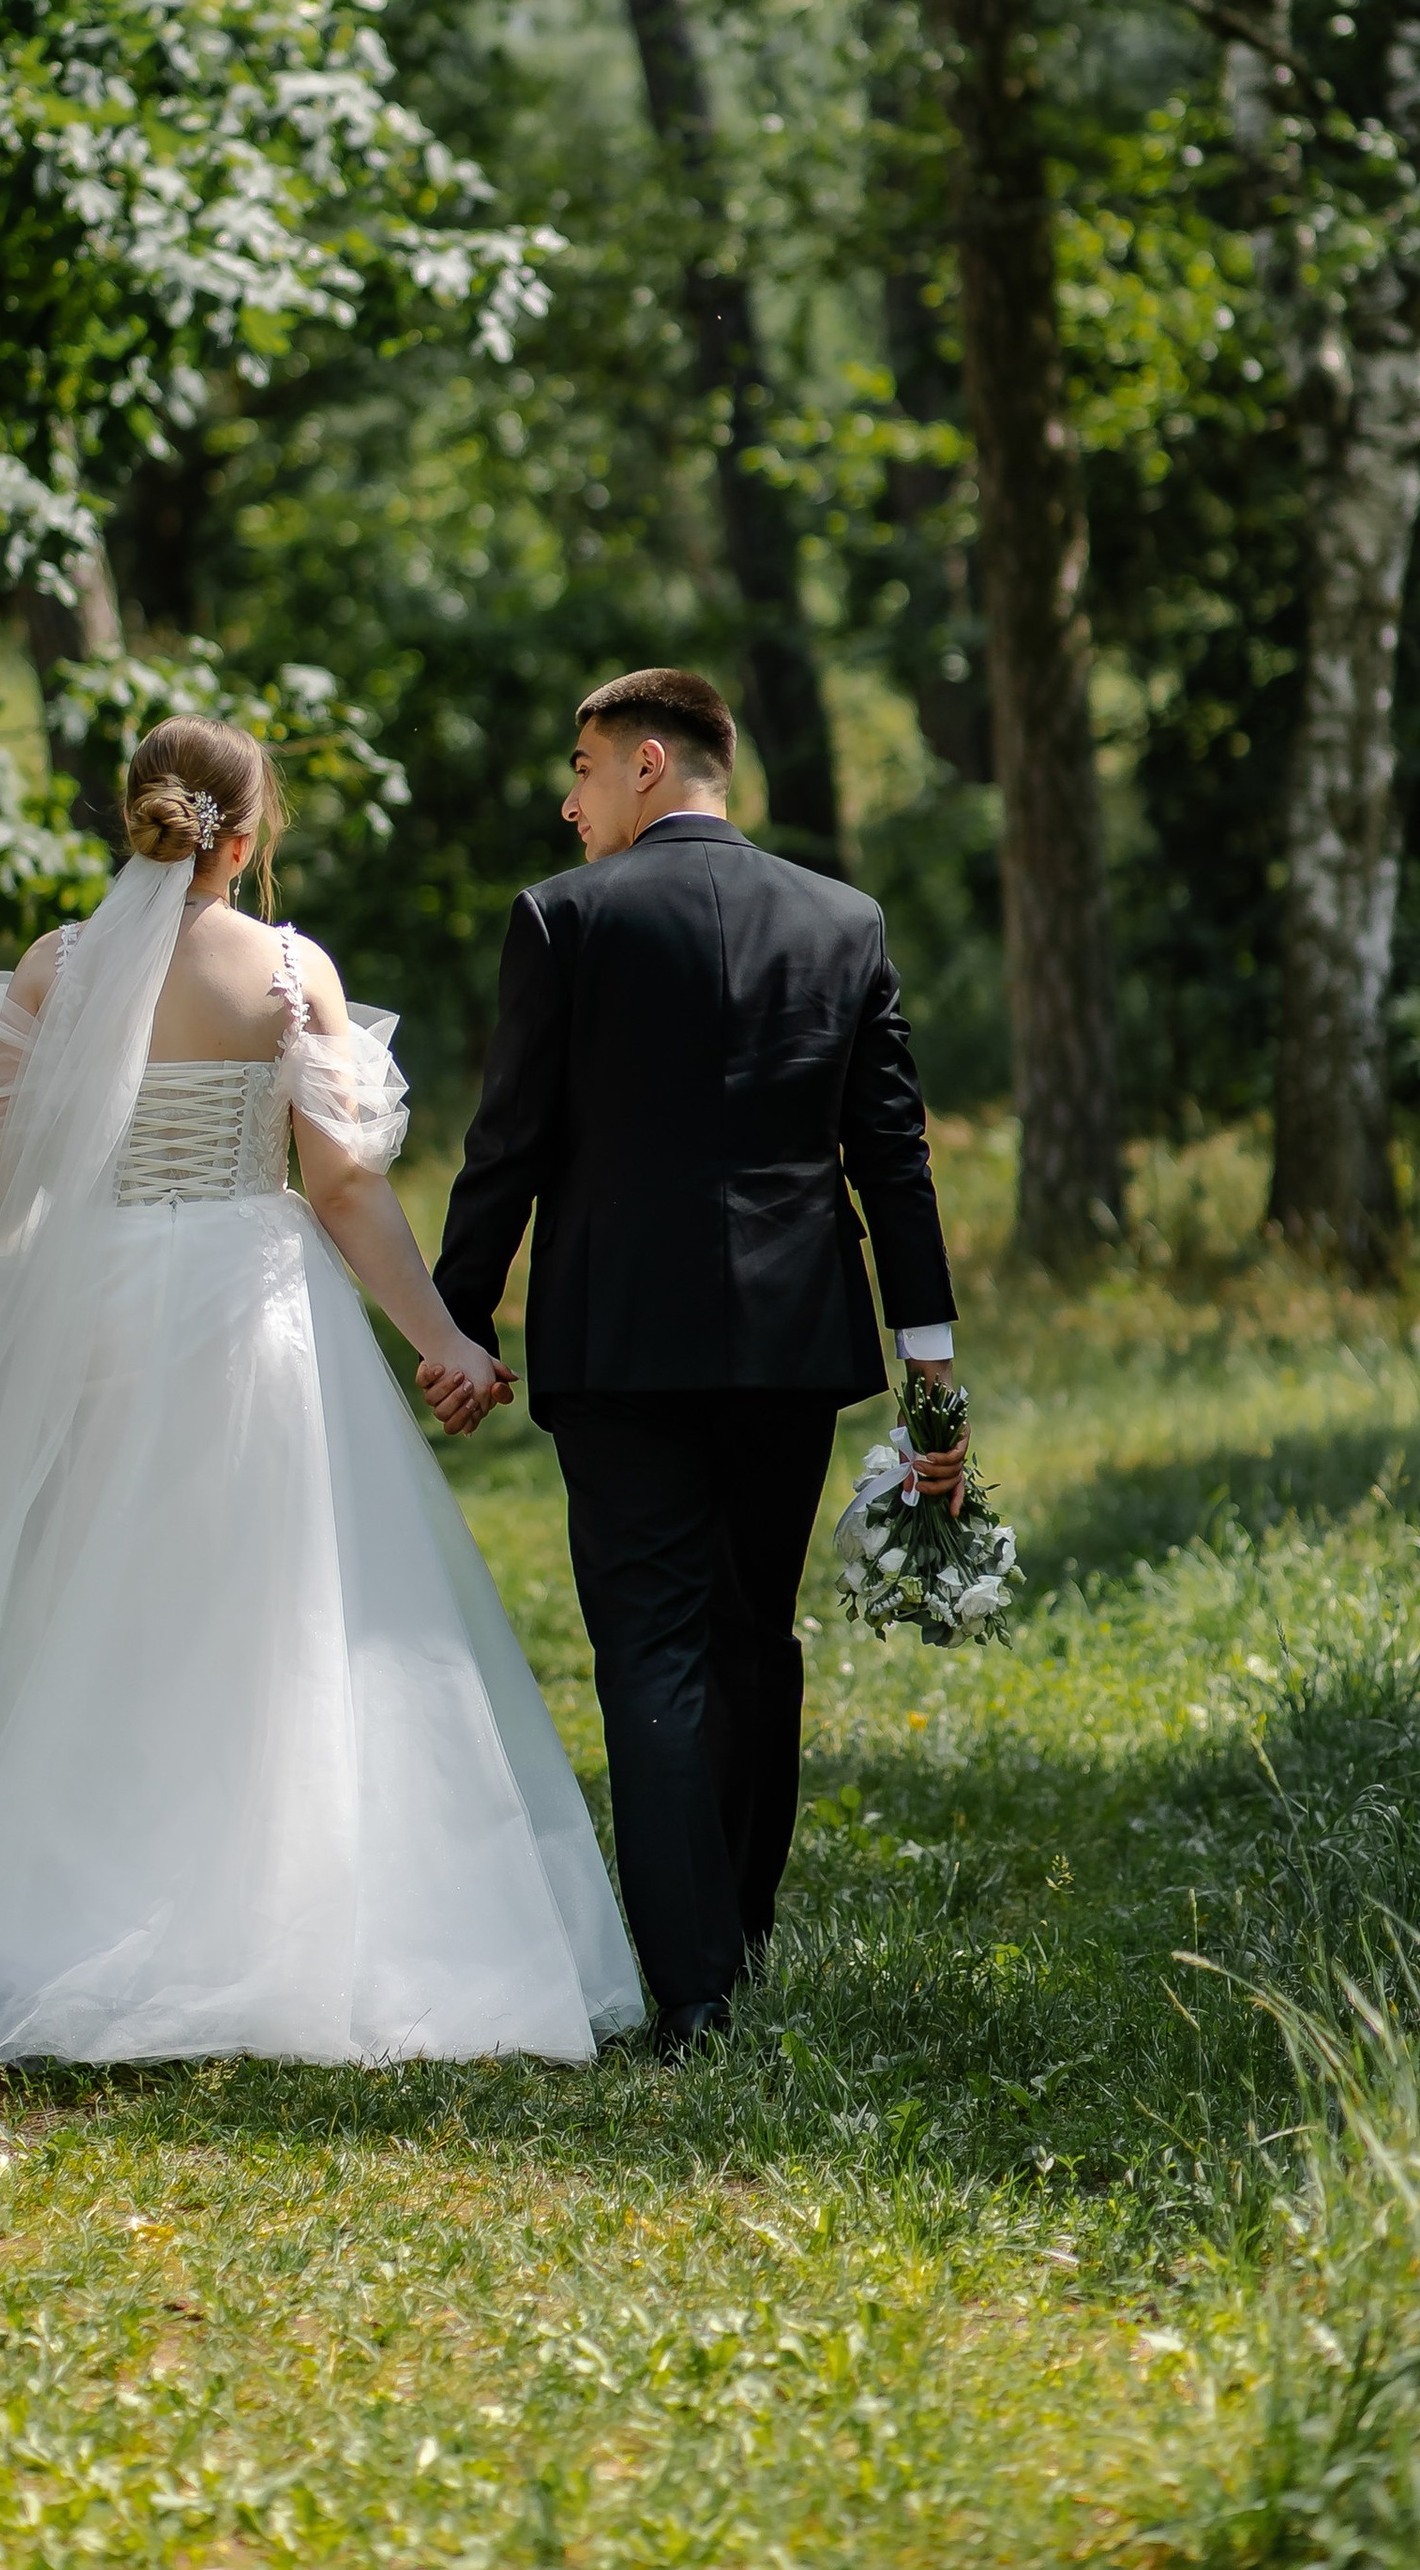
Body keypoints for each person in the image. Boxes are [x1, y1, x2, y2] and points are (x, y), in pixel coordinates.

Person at [0, 714, 642, 2103]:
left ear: (135, 816)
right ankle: (262, 1916)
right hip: (250, 1316)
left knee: (84, 1608)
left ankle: (42, 1918)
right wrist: (443, 1334)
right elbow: (341, 1188)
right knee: (263, 1616)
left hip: (94, 1314)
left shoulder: (59, 968)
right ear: (251, 833)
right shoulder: (286, 971)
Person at [433, 668, 961, 2057]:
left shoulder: (563, 917)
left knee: (651, 1649)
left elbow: (511, 1143)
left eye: (585, 770)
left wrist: (456, 1318)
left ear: (651, 762)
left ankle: (693, 1990)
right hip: (791, 1338)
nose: (572, 799)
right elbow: (893, 1160)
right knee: (751, 1639)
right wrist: (932, 1372)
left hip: (620, 1339)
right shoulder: (844, 921)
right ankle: (738, 1927)